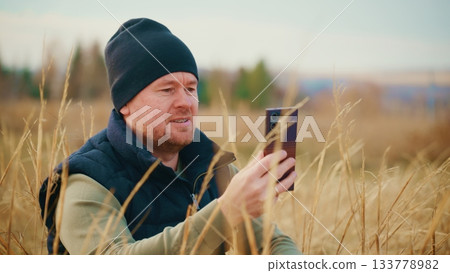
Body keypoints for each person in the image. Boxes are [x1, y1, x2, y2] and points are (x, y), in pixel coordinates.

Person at [39, 18, 300, 255]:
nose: (185, 102)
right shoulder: (85, 181)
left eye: (190, 88)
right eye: (167, 89)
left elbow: (272, 243)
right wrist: (226, 212)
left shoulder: (213, 169)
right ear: (125, 103)